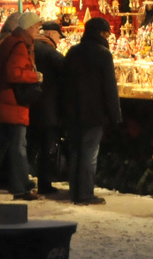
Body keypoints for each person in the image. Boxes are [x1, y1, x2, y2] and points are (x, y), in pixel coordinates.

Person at [0, 11, 41, 200]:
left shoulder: (7, 41)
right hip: (12, 103)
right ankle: (21, 188)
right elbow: (14, 74)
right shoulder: (20, 45)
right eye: (37, 27)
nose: (38, 30)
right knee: (18, 146)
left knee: (0, 143)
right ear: (28, 27)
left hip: (1, 101)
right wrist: (35, 76)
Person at [63, 15, 122, 205]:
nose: (108, 37)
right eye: (106, 33)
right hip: (94, 112)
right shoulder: (103, 54)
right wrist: (115, 115)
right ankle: (85, 193)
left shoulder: (73, 52)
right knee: (89, 154)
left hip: (72, 110)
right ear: (100, 34)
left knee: (75, 152)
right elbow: (109, 87)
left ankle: (75, 191)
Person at [28, 20, 67, 197]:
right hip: (48, 107)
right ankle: (44, 183)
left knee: (28, 144)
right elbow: (68, 75)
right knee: (46, 146)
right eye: (59, 36)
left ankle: (22, 179)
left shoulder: (29, 48)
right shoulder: (52, 53)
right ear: (51, 34)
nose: (59, 40)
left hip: (29, 104)